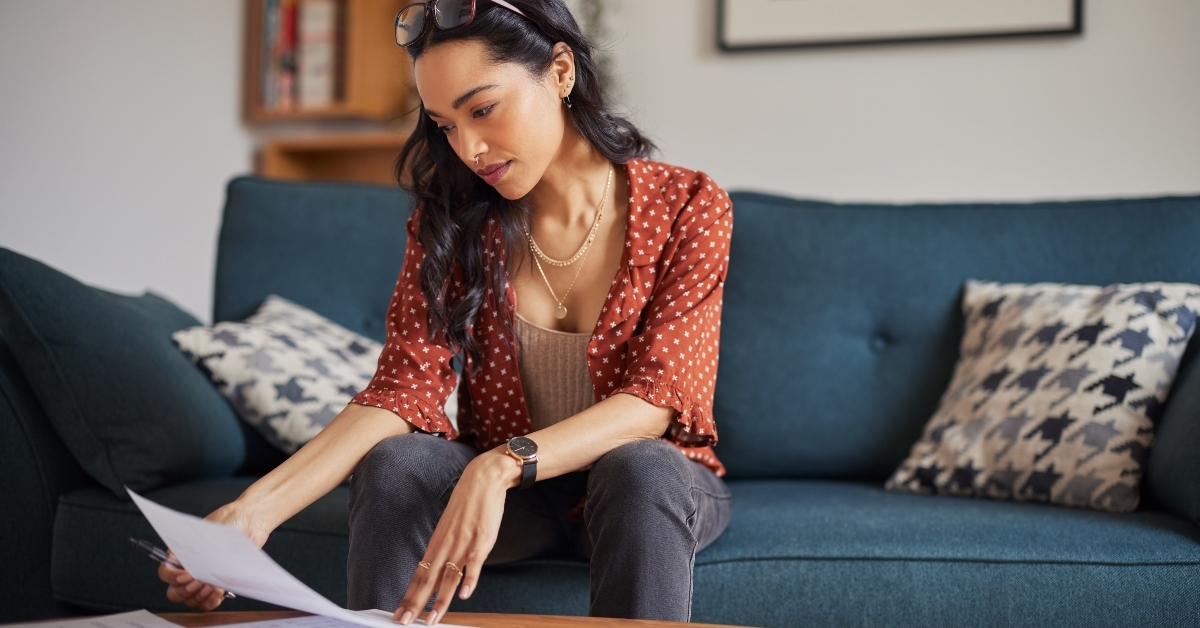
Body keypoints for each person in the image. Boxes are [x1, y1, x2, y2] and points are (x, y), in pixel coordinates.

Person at [157, 0, 734, 624]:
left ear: (561, 71)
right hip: (521, 507)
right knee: (399, 461)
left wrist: (503, 462)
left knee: (642, 467)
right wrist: (253, 512)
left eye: (482, 109)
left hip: (645, 489)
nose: (470, 148)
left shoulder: (688, 206)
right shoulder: (453, 221)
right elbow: (399, 391)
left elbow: (656, 401)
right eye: (446, 125)